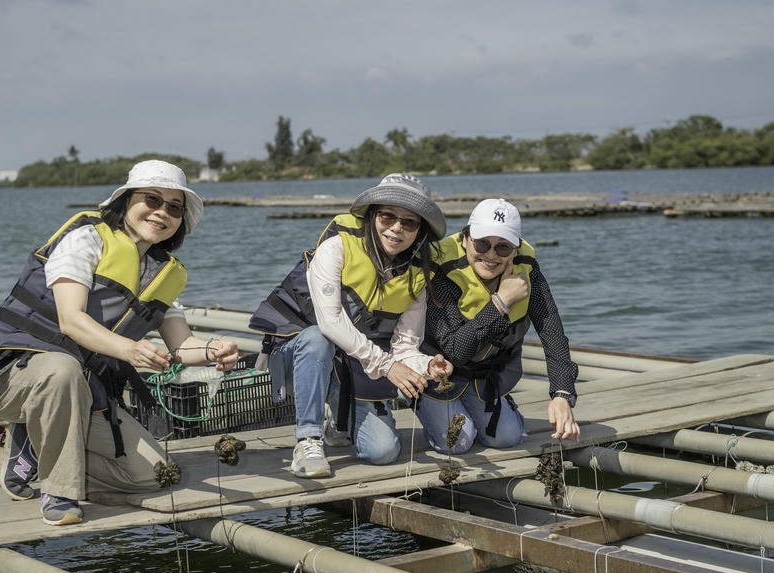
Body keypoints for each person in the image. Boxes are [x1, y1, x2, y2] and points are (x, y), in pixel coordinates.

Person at [0, 160, 239, 526]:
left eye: (174, 207)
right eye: (152, 199)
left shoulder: (164, 275)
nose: (162, 212)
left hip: (81, 392)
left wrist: (212, 351)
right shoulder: (86, 239)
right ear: (127, 200)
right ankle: (60, 492)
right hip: (12, 378)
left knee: (155, 475)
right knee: (62, 367)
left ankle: (34, 441)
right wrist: (129, 349)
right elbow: (71, 320)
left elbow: (182, 346)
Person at [249, 173, 452, 478]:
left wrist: (427, 366)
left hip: (353, 365)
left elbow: (405, 346)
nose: (396, 227)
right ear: (372, 216)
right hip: (297, 359)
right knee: (318, 337)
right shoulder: (337, 247)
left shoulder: (417, 278)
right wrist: (386, 366)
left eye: (409, 222)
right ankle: (308, 440)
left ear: (419, 232)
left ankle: (338, 425)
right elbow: (330, 323)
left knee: (383, 452)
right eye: (387, 216)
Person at [416, 198, 580, 455]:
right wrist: (501, 302)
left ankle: (488, 403)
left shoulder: (529, 272)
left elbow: (553, 334)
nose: (491, 255)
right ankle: (426, 403)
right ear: (465, 239)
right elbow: (456, 350)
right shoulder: (442, 273)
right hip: (436, 372)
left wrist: (562, 395)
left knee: (506, 438)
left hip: (483, 374)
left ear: (515, 249)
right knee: (459, 441)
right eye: (482, 243)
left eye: (503, 247)